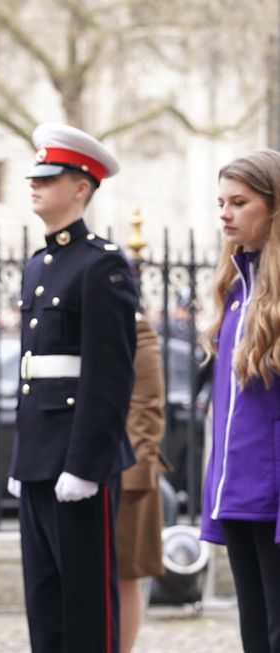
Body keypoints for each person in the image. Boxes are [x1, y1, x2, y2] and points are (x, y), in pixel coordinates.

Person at [6, 123, 138, 653]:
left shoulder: (102, 264)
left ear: (82, 186)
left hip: (78, 462)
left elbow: (110, 376)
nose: (34, 185)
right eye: (34, 176)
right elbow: (30, 371)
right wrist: (21, 461)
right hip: (38, 459)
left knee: (86, 607)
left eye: (49, 176)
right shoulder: (38, 264)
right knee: (45, 605)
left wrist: (85, 465)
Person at [200, 150, 280, 653]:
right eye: (221, 203)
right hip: (237, 488)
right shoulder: (234, 290)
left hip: (274, 493)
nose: (225, 214)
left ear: (272, 208)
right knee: (254, 629)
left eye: (239, 202)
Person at [117, 310, 169, 653]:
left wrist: (134, 475)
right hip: (85, 467)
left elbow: (147, 405)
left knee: (124, 576)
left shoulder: (133, 324)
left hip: (128, 474)